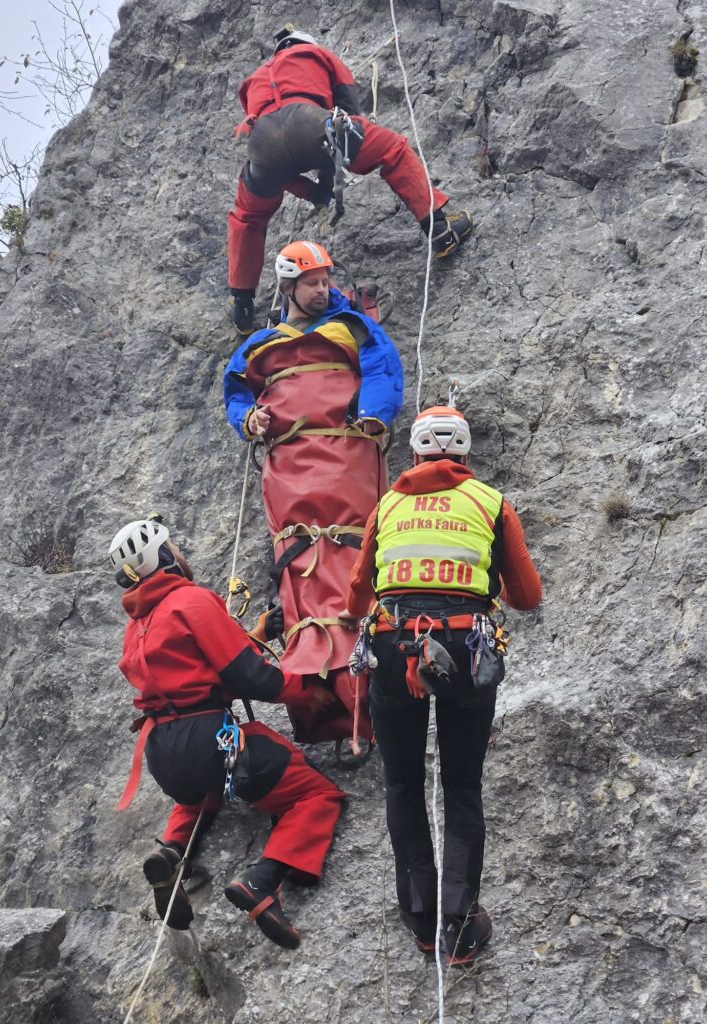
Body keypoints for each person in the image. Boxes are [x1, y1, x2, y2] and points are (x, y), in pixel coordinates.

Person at [346, 407, 542, 963]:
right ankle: (458, 926)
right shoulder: (490, 502)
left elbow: (356, 598)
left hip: (391, 646)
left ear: (413, 456)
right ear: (466, 457)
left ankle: (420, 920)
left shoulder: (386, 507)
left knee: (404, 785)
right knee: (460, 787)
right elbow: (526, 596)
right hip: (463, 649)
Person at [109, 517, 345, 949]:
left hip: (163, 752)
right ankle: (263, 878)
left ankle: (170, 853)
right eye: (173, 545)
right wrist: (305, 692)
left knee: (198, 795)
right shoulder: (191, 601)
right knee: (315, 795)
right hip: (208, 740)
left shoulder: (136, 626)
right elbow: (247, 677)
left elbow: (197, 669)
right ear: (163, 557)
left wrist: (251, 635)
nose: (180, 551)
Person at [223, 240, 402, 755]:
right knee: (299, 567)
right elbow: (236, 391)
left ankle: (358, 701)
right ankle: (318, 701)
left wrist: (373, 415)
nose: (323, 290)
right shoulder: (259, 344)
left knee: (348, 557)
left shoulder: (355, 328)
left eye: (326, 281)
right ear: (288, 287)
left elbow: (383, 371)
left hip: (345, 458)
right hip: (289, 469)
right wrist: (248, 420)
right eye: (312, 283)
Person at [226, 25, 474, 334]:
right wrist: (342, 158)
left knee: (247, 217)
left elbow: (279, 166)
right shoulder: (317, 54)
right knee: (393, 149)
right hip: (309, 121)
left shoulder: (254, 80)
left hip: (262, 142)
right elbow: (346, 105)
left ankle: (242, 305)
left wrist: (314, 191)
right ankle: (438, 227)